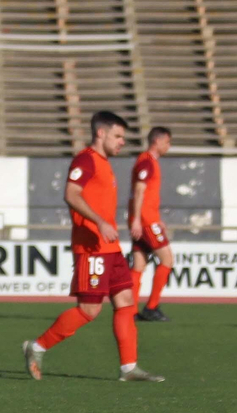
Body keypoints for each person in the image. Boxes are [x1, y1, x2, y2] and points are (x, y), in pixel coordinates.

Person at [22, 112, 162, 382]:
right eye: (118, 136)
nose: (122, 142)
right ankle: (36, 347)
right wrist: (99, 222)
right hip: (91, 248)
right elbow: (71, 193)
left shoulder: (104, 163)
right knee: (89, 310)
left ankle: (129, 368)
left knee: (126, 302)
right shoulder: (85, 159)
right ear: (101, 133)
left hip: (110, 248)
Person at [128, 127, 173, 322]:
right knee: (167, 259)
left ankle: (129, 310)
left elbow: (147, 194)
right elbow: (139, 190)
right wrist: (138, 219)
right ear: (158, 141)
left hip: (146, 218)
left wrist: (154, 217)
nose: (169, 146)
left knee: (139, 264)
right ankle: (151, 307)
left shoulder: (148, 161)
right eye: (168, 142)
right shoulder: (147, 161)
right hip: (145, 220)